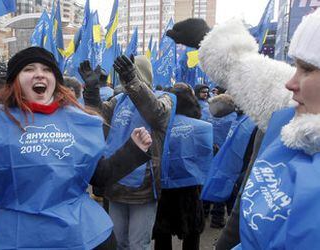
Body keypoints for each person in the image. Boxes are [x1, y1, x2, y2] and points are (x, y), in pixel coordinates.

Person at [0, 47, 153, 250]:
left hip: (79, 236)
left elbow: (99, 176)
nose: (39, 74)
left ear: (56, 81)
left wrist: (132, 151)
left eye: (47, 69)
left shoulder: (79, 120)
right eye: (29, 69)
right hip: (16, 237)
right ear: (14, 81)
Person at [198, 9, 320, 249]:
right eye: (294, 67)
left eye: (306, 69)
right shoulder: (291, 125)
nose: (290, 83)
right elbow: (257, 80)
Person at [80, 55, 174, 250]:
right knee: (119, 243)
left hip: (143, 190)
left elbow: (155, 113)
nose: (124, 76)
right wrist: (91, 90)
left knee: (138, 245)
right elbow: (96, 116)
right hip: (116, 184)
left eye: (130, 71)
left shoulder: (163, 99)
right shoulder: (118, 101)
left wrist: (133, 81)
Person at [152, 83, 213, 250]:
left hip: (164, 186)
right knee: (192, 232)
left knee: (163, 234)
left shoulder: (159, 127)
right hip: (191, 187)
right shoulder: (203, 127)